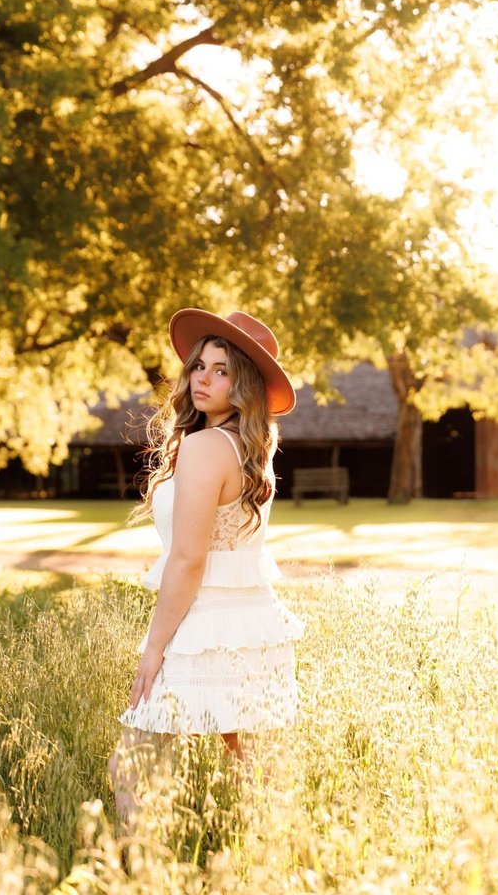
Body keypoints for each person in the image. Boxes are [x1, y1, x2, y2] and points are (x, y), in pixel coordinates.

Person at [109, 308, 305, 824]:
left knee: (131, 768)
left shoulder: (203, 446)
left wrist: (154, 649)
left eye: (222, 371)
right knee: (257, 777)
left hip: (202, 625)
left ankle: (134, 865)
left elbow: (189, 559)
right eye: (200, 365)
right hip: (253, 623)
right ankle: (277, 858)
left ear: (244, 386)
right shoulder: (251, 448)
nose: (203, 378)